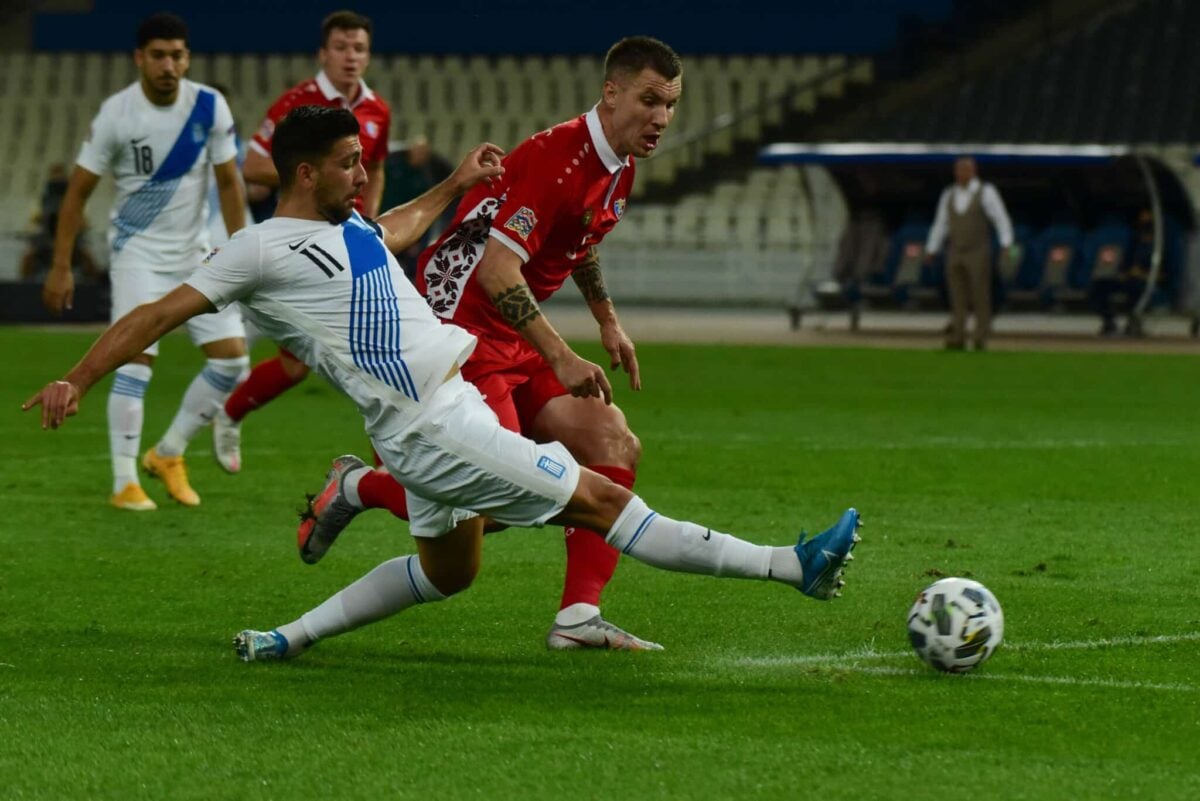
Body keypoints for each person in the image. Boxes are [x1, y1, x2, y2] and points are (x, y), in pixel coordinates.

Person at [23, 106, 863, 662]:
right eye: (348, 164)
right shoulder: (256, 251)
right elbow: (157, 314)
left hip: (434, 416)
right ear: (305, 173)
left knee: (450, 572)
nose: (361, 173)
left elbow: (391, 230)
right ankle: (794, 566)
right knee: (604, 498)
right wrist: (77, 376)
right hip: (433, 424)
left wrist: (454, 186)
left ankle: (289, 636)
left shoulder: (346, 223)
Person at [300, 36, 684, 651]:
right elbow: (496, 272)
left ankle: (578, 616)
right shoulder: (558, 157)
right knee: (488, 504)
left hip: (514, 335)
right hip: (462, 330)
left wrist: (606, 319)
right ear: (611, 93)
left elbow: (579, 241)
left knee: (611, 440)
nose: (661, 117)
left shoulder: (619, 167)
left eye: (670, 105)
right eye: (650, 100)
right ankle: (358, 486)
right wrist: (562, 353)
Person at [40, 12, 249, 511]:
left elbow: (228, 183)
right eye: (158, 56)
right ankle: (123, 482)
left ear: (187, 58)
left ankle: (168, 452)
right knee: (136, 361)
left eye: (176, 55)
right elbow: (77, 193)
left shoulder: (209, 105)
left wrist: (242, 250)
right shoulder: (117, 114)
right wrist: (61, 265)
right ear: (140, 58)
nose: (168, 66)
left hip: (196, 254)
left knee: (233, 360)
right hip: (137, 253)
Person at [209, 9, 392, 474]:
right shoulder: (297, 104)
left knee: (368, 356)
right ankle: (229, 414)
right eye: (341, 47)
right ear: (322, 53)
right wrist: (318, 177)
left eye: (359, 48)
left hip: (351, 243)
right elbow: (253, 167)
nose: (350, 57)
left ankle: (389, 470)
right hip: (302, 243)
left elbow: (376, 168)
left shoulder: (378, 110)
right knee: (329, 362)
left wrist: (369, 218)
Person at [924, 156, 1014, 351]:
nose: (961, 174)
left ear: (973, 171)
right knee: (957, 294)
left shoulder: (986, 192)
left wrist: (1006, 243)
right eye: (958, 170)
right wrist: (932, 248)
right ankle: (957, 335)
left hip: (978, 250)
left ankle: (980, 335)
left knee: (980, 294)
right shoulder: (949, 194)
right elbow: (941, 223)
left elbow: (1000, 218)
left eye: (965, 170)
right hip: (955, 249)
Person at [381, 135, 454, 278]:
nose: (419, 156)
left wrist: (418, 241)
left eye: (423, 153)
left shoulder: (424, 181)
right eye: (417, 151)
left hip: (408, 232)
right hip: (385, 224)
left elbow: (425, 212)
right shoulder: (392, 169)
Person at [20, 163, 103, 284]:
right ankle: (24, 286)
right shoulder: (41, 201)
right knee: (28, 257)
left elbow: (85, 223)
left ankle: (95, 285)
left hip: (71, 238)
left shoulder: (76, 200)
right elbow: (32, 222)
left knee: (87, 255)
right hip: (45, 238)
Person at [1089, 210, 1165, 337]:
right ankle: (1109, 322)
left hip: (1147, 283)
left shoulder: (1161, 246)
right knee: (1099, 286)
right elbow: (1124, 266)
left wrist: (1141, 274)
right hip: (1129, 280)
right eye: (1142, 223)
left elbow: (1164, 276)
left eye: (1148, 223)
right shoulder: (1134, 242)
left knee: (1137, 288)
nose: (1144, 227)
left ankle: (1133, 323)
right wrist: (1124, 273)